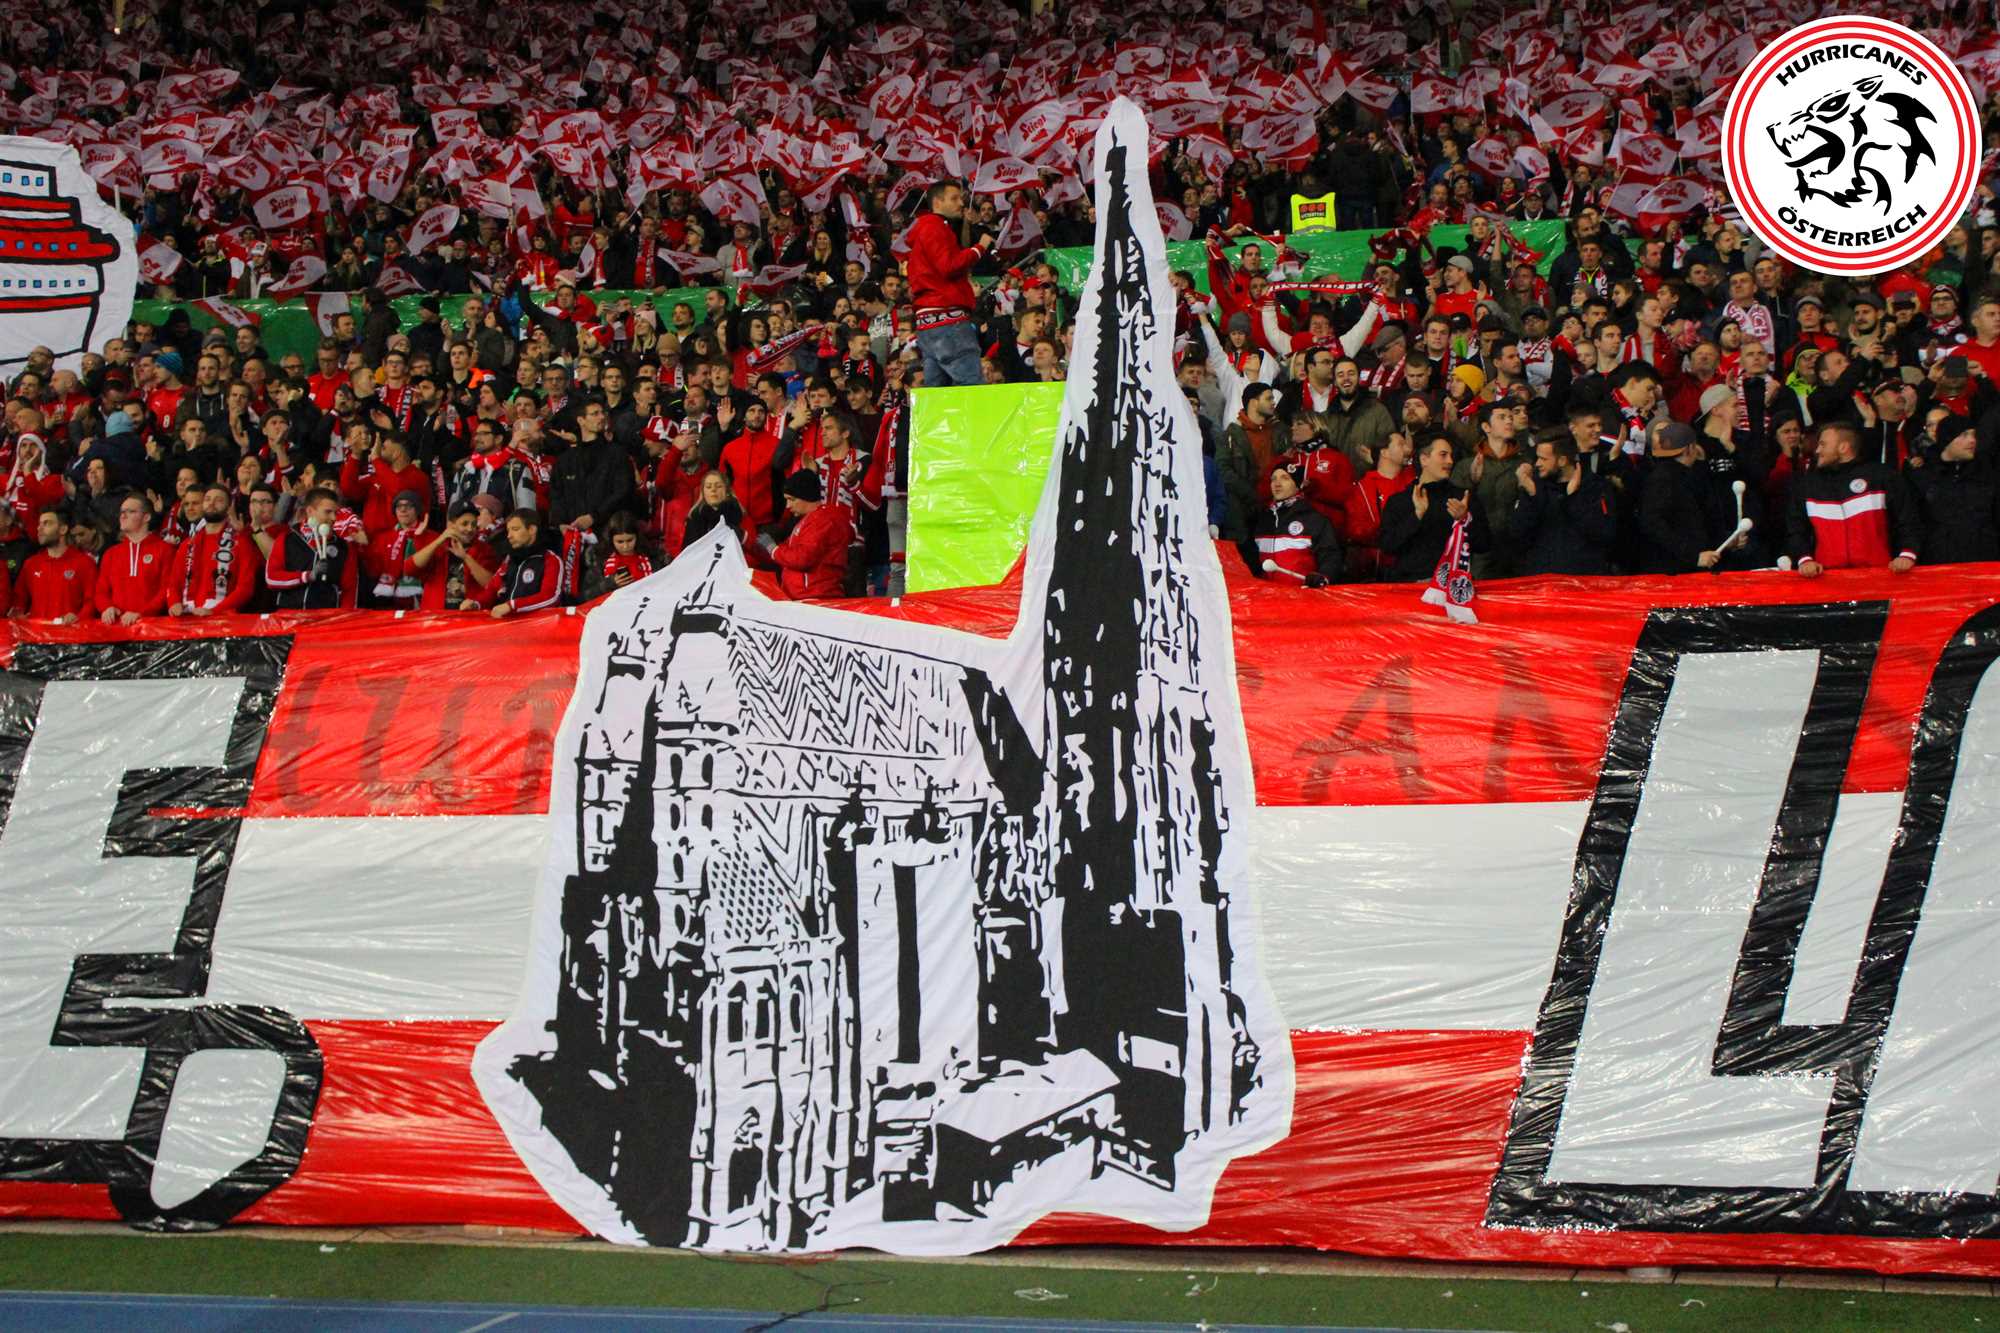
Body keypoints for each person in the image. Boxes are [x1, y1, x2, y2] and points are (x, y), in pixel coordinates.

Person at [1787, 421, 1922, 576]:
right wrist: (1805, 559)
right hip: (1827, 579)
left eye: (1823, 444)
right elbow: (1796, 528)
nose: (1817, 450)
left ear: (1843, 447)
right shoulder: (1808, 485)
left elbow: (1908, 519)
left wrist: (1907, 554)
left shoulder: (1881, 477)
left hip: (1880, 577)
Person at [902, 181, 992, 387]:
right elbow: (948, 266)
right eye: (954, 198)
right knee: (971, 386)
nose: (961, 203)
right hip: (948, 321)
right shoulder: (934, 226)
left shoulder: (925, 229)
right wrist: (979, 249)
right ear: (937, 202)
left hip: (929, 323)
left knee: (936, 393)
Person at [1379, 432, 1486, 582]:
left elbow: (1484, 544)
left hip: (1454, 587)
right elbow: (1388, 546)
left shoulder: (1463, 498)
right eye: (1443, 455)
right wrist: (1416, 515)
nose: (1450, 461)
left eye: (1451, 456)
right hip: (1410, 587)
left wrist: (1465, 519)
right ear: (1424, 459)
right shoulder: (1400, 501)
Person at [1511, 436, 1618, 576]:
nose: (1537, 464)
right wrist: (1532, 497)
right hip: (1543, 579)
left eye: (1543, 459)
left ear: (1562, 460)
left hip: (1584, 578)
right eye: (1537, 458)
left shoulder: (1596, 487)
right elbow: (1518, 534)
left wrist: (1573, 498)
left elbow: (1604, 533)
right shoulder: (1535, 488)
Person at [1907, 415, 2000, 565]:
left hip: (1985, 560)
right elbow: (1913, 522)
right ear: (1947, 439)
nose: (1972, 440)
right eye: (1964, 435)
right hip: (1938, 562)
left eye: (1974, 435)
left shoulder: (1988, 473)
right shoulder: (1922, 475)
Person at [759, 470, 851, 600]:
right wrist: (748, 541)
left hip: (816, 598)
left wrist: (773, 549)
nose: (788, 506)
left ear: (805, 496)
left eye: (791, 499)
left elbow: (802, 558)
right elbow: (786, 552)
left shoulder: (822, 520)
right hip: (805, 597)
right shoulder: (809, 520)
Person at [167, 484, 256, 616]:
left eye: (218, 500)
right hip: (186, 618)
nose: (211, 503)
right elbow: (173, 583)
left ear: (229, 507)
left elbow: (245, 588)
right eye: (207, 499)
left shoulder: (241, 542)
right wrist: (174, 603)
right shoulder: (187, 544)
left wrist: (214, 611)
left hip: (222, 620)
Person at [267, 486, 361, 609]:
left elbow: (350, 590)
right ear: (310, 511)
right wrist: (307, 576)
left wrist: (342, 617)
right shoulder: (286, 539)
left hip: (327, 618)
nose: (334, 518)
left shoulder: (344, 547)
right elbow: (271, 578)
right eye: (328, 512)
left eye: (336, 513)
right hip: (290, 616)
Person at [1249, 459, 1341, 586]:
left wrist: (1323, 577)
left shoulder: (1313, 519)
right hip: (1267, 596)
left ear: (1297, 484)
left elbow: (1330, 556)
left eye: (1285, 478)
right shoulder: (1262, 519)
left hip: (1301, 595)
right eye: (1273, 479)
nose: (1277, 484)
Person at [468, 508, 566, 617]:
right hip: (509, 625)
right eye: (508, 530)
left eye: (515, 529)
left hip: (538, 625)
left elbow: (551, 597)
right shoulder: (510, 560)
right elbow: (492, 589)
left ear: (532, 529)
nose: (509, 535)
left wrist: (512, 606)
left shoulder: (551, 560)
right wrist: (476, 603)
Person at [95, 493, 174, 623]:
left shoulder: (164, 549)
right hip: (117, 628)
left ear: (146, 517)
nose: (123, 516)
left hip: (152, 627)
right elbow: (100, 591)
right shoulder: (111, 554)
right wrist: (106, 607)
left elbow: (167, 589)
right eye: (122, 512)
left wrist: (142, 613)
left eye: (131, 511)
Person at [10, 510, 96, 622]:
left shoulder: (85, 563)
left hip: (70, 631)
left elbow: (92, 601)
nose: (39, 528)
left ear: (63, 529)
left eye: (47, 523)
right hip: (36, 632)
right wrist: (18, 613)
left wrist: (79, 617)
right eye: (39, 524)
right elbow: (19, 599)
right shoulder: (31, 564)